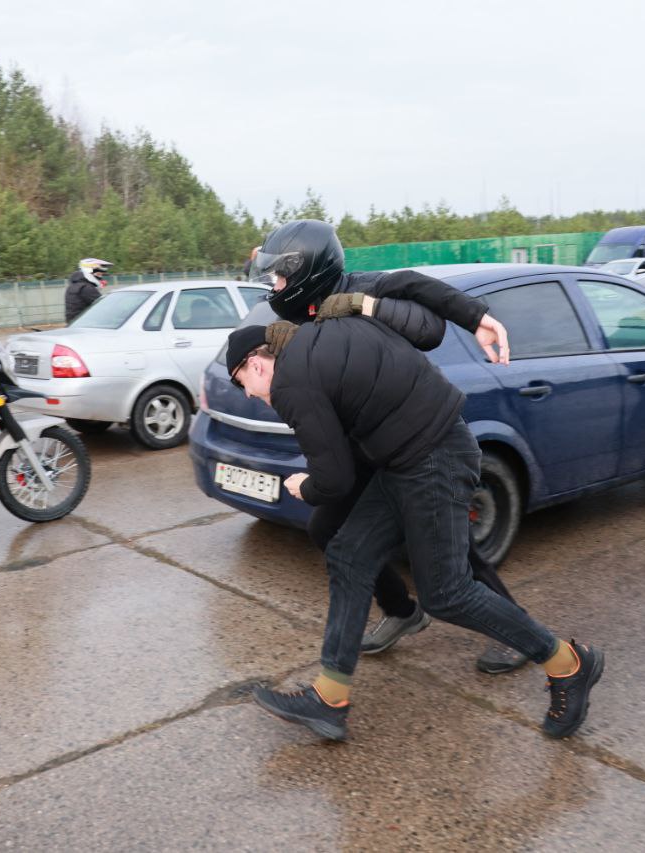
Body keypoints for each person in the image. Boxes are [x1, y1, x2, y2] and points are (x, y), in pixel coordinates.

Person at [228, 320, 604, 741]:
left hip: (432, 459)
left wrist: (307, 487)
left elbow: (331, 478)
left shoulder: (291, 383)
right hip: (406, 460)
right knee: (348, 553)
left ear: (256, 364)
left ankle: (568, 663)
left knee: (446, 592)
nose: (248, 394)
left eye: (241, 381)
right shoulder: (316, 350)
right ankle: (329, 700)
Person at [250, 218, 529, 674]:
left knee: (446, 549)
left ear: (305, 270)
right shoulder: (300, 314)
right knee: (327, 528)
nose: (274, 286)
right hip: (363, 444)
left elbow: (421, 300)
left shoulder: (359, 289)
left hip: (413, 438)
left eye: (279, 275)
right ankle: (402, 611)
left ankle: (514, 629)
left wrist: (475, 316)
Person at [64, 257, 112, 322]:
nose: (101, 275)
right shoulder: (86, 288)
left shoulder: (73, 286)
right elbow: (103, 306)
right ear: (89, 270)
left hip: (75, 323)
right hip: (84, 324)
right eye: (98, 272)